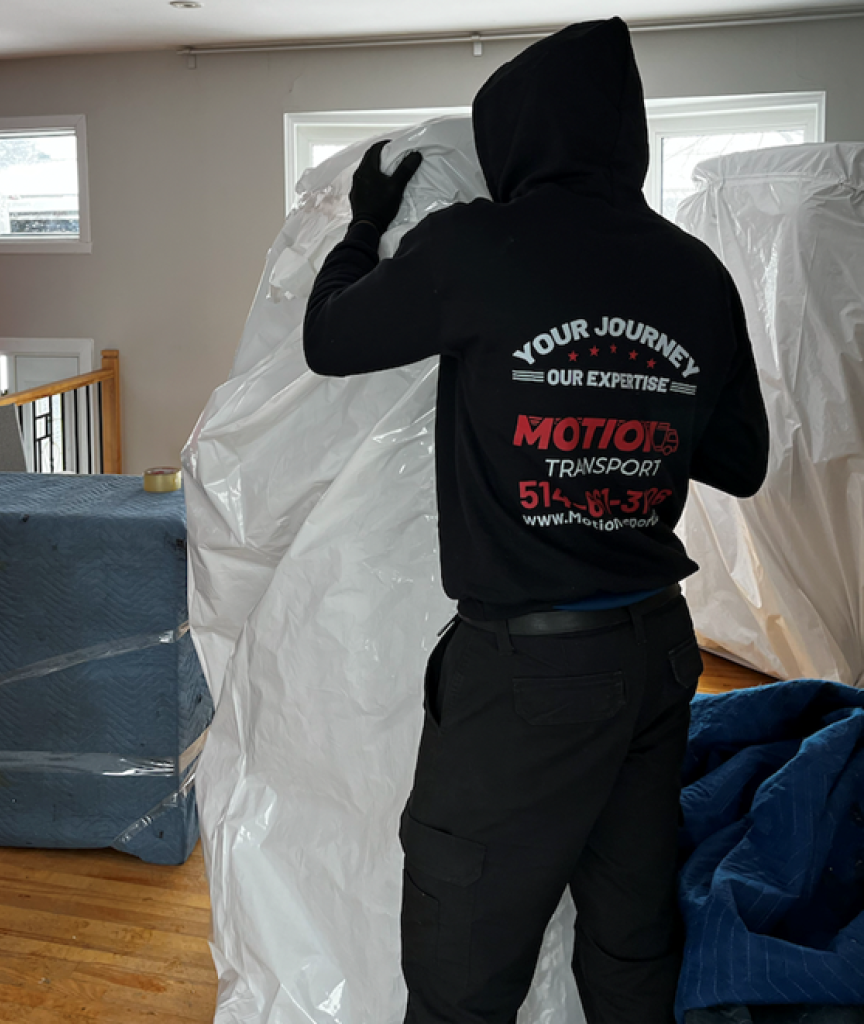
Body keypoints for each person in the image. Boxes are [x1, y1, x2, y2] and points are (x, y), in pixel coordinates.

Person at [303, 17, 768, 1024]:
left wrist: (362, 225)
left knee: (461, 959)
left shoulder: (476, 246)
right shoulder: (695, 271)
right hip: (656, 649)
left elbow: (329, 339)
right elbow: (742, 462)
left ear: (513, 137)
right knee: (631, 935)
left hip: (528, 675)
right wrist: (635, 411)